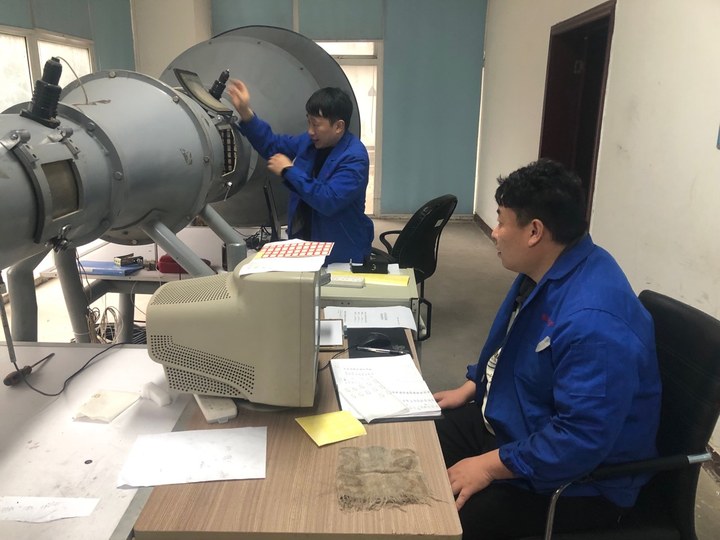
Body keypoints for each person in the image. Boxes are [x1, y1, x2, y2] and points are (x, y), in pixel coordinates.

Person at [433, 159, 661, 539]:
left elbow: (580, 439)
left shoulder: (594, 323)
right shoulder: (548, 269)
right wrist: (474, 384)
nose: (494, 233)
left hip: (578, 482)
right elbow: (514, 345)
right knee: (417, 443)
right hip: (518, 425)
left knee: (444, 520)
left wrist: (488, 466)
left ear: (535, 231)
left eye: (501, 222)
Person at [227, 80, 373, 264]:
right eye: (308, 122)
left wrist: (289, 170)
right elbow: (273, 145)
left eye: (316, 125)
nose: (310, 131)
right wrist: (246, 113)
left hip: (340, 253)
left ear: (338, 127)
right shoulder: (309, 142)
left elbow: (328, 200)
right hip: (305, 245)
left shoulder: (354, 157)